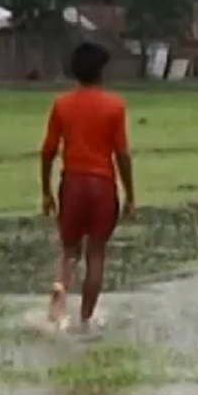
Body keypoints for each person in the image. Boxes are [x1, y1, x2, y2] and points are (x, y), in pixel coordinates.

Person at [41, 42, 134, 328]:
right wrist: (130, 193)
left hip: (72, 185)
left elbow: (47, 151)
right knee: (96, 254)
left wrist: (46, 191)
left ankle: (60, 288)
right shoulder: (114, 106)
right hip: (102, 186)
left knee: (69, 251)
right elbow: (121, 154)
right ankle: (84, 321)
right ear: (101, 72)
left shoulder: (62, 104)